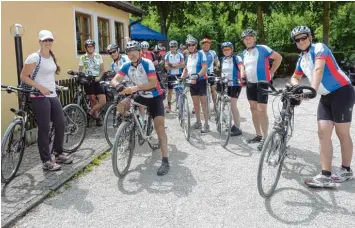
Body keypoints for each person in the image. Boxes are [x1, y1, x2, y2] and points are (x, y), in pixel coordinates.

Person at [289, 26, 355, 188]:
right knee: (323, 132)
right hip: (326, 96)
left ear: (310, 37)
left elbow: (319, 69)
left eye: (303, 37)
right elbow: (295, 77)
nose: (301, 41)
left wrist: (312, 89)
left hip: (342, 91)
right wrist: (295, 86)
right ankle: (326, 174)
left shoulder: (319, 47)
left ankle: (346, 169)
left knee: (342, 132)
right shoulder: (301, 59)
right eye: (297, 40)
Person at [110, 40, 170, 176]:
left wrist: (134, 88)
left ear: (139, 52)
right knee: (121, 105)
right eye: (129, 52)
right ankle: (128, 127)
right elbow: (114, 79)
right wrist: (118, 86)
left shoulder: (147, 63)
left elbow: (153, 82)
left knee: (160, 128)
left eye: (134, 51)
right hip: (140, 96)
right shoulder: (126, 65)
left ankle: (165, 160)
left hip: (155, 97)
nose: (132, 55)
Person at [20, 30, 73, 171]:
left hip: (51, 93)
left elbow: (47, 75)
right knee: (44, 127)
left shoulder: (50, 56)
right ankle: (46, 161)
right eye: (45, 40)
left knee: (60, 123)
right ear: (40, 41)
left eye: (50, 40)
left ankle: (58, 153)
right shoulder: (34, 57)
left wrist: (55, 86)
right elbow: (24, 76)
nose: (47, 42)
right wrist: (40, 87)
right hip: (38, 95)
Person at [240, 29, 283, 150]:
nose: (248, 39)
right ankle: (258, 135)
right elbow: (243, 65)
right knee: (253, 109)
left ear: (254, 38)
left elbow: (278, 58)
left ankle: (265, 137)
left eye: (250, 37)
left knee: (262, 111)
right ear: (243, 41)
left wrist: (272, 72)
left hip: (262, 84)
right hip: (250, 84)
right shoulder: (244, 53)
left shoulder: (263, 48)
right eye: (245, 38)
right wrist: (243, 74)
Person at [181, 35, 209, 133]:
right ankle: (198, 122)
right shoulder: (188, 56)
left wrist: (197, 75)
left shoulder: (201, 54)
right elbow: (186, 68)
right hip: (192, 83)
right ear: (187, 46)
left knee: (204, 103)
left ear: (196, 45)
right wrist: (181, 77)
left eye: (193, 44)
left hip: (200, 81)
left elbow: (204, 67)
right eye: (189, 45)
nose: (191, 46)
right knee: (196, 104)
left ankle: (206, 124)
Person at [78, 39, 106, 126]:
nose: (90, 48)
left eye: (91, 46)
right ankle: (97, 118)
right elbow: (80, 70)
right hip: (88, 81)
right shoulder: (82, 57)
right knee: (93, 99)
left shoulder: (99, 56)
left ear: (94, 47)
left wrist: (99, 77)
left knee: (103, 100)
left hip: (97, 80)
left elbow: (102, 70)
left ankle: (89, 113)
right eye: (88, 47)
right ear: (86, 48)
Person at [220, 42, 245, 136]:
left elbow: (241, 67)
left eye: (228, 49)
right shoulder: (222, 59)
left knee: (233, 105)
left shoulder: (236, 58)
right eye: (224, 50)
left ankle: (238, 127)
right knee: (226, 103)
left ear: (232, 49)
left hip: (235, 84)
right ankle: (227, 121)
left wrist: (242, 75)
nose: (226, 51)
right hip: (225, 84)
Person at [164, 40, 185, 113]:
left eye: (174, 46)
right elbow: (166, 67)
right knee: (170, 91)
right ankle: (169, 106)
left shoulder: (180, 55)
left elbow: (183, 65)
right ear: (169, 47)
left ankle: (179, 105)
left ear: (176, 47)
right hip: (170, 75)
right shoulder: (167, 55)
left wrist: (172, 65)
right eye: (171, 47)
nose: (172, 48)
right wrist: (177, 66)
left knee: (179, 90)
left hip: (179, 75)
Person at [201, 37, 219, 110]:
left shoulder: (213, 52)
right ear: (202, 45)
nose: (206, 46)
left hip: (210, 73)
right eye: (205, 44)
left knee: (213, 89)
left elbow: (217, 60)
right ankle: (196, 106)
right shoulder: (199, 53)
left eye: (208, 44)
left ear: (210, 45)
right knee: (200, 90)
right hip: (202, 73)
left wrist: (217, 65)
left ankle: (215, 105)